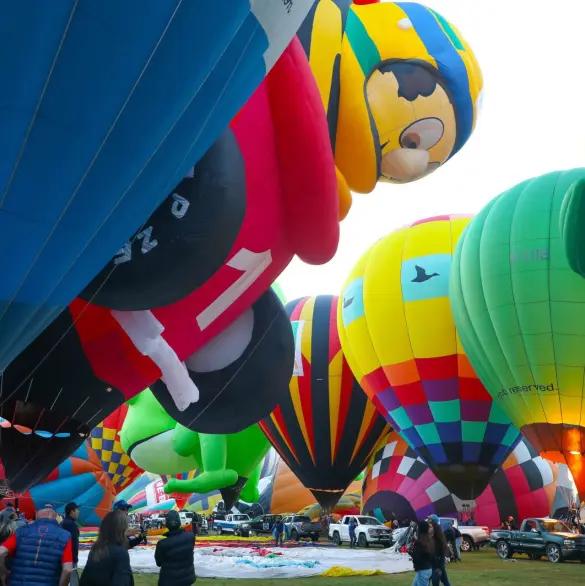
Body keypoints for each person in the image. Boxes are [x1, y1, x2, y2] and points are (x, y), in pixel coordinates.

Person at [0, 506, 72, 586]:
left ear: (37, 515)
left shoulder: (21, 532)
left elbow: (1, 552)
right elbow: (67, 570)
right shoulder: (65, 536)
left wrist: (3, 572)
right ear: (54, 516)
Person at [80, 511, 133, 586]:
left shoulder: (97, 548)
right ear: (122, 529)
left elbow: (85, 579)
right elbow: (122, 581)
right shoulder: (120, 553)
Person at [154, 510, 195, 586]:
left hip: (169, 581)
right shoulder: (190, 536)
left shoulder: (162, 544)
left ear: (167, 524)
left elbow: (158, 563)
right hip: (187, 580)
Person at [409, 520, 434, 586]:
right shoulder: (429, 540)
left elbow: (417, 557)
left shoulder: (419, 543)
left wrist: (411, 552)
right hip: (428, 568)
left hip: (422, 570)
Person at [429, 518, 451, 586]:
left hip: (437, 565)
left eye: (430, 527)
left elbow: (444, 553)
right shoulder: (430, 538)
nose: (428, 528)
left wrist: (439, 567)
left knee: (435, 583)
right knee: (445, 580)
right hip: (432, 564)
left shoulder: (438, 540)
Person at [60, 502, 80, 569]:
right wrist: (75, 559)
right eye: (77, 510)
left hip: (62, 557)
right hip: (69, 559)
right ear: (72, 511)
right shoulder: (71, 524)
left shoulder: (63, 522)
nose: (78, 512)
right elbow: (74, 543)